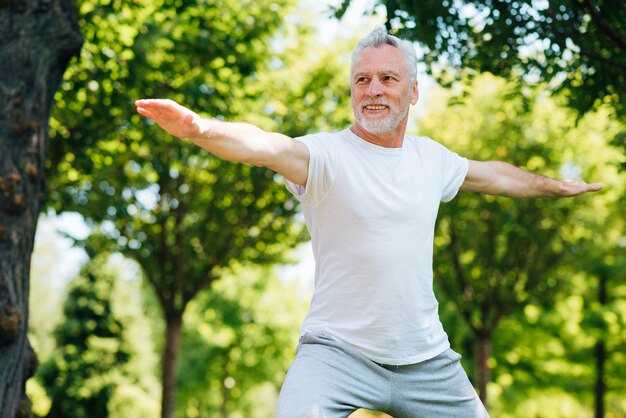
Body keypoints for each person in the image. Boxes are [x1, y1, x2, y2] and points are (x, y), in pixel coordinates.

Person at [135, 26, 602, 418]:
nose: (373, 90)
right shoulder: (326, 155)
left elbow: (495, 176)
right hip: (336, 354)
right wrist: (200, 128)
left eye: (387, 78)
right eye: (362, 80)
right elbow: (264, 145)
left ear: (413, 91)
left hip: (427, 361)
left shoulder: (431, 159)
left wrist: (554, 187)